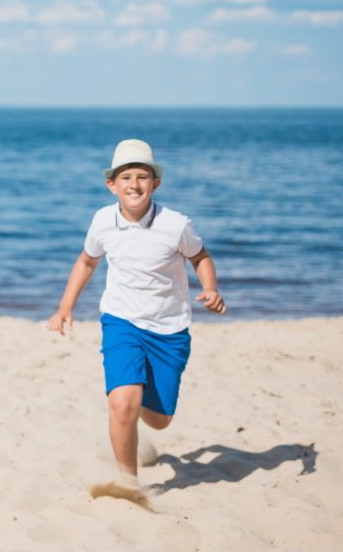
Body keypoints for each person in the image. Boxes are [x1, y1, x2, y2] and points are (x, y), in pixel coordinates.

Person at [46, 139, 226, 501]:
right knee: (122, 402)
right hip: (121, 321)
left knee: (159, 419)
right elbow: (87, 261)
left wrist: (210, 287)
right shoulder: (102, 221)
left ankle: (138, 430)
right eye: (125, 176)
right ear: (111, 184)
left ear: (155, 184)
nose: (134, 184)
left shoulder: (176, 225)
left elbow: (200, 256)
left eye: (142, 176)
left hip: (169, 329)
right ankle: (128, 484)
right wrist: (65, 306)